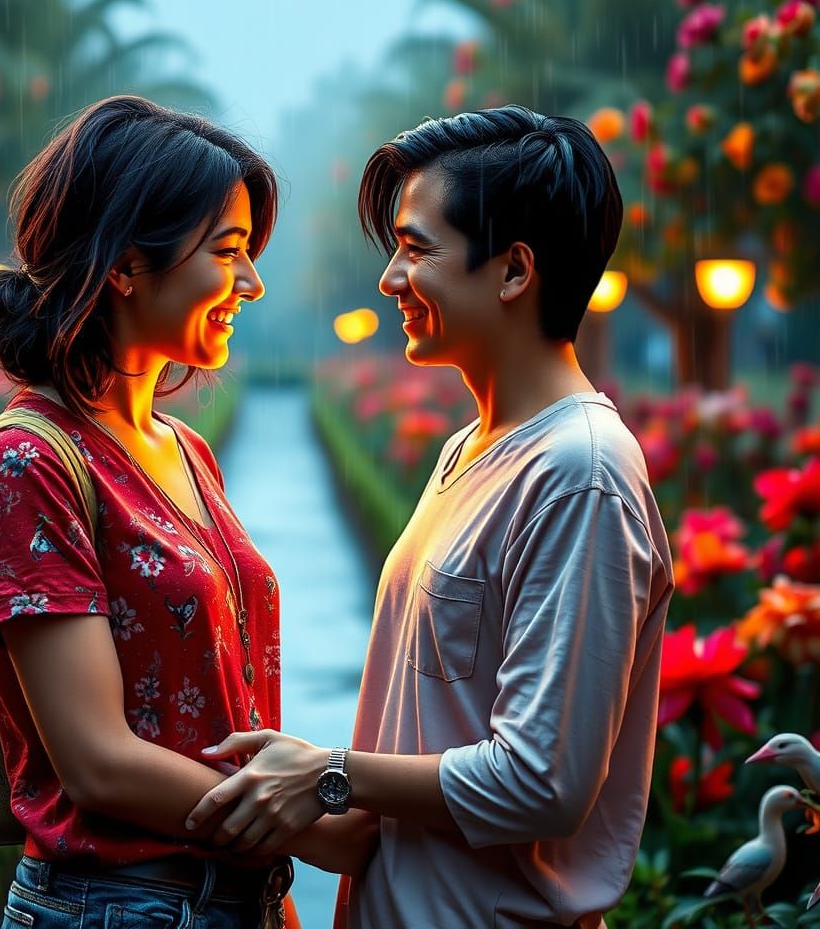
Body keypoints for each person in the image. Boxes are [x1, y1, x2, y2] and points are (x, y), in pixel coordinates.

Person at [185, 105, 675, 929]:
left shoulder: (578, 473)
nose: (390, 279)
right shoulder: (470, 449)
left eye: (416, 249)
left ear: (514, 271)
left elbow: (543, 781)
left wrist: (330, 774)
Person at [0, 95, 374, 929]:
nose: (251, 283)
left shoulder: (183, 449)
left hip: (231, 897)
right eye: (228, 251)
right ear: (125, 264)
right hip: (112, 906)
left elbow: (223, 712)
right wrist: (317, 823)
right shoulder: (28, 463)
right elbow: (98, 762)